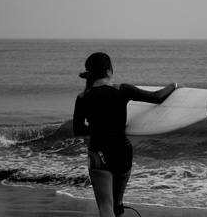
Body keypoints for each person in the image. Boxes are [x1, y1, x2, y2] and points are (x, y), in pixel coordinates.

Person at [73, 52, 180, 217]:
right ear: (108, 71)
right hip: (123, 152)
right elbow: (157, 97)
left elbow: (78, 130)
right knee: (117, 205)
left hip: (99, 153)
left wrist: (97, 127)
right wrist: (174, 85)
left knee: (105, 207)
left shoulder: (82, 97)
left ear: (90, 72)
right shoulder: (122, 89)